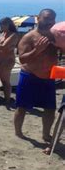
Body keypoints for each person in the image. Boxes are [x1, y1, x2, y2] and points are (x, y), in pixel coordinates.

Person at [14, 9, 58, 145]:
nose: (49, 22)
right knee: (22, 107)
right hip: (30, 76)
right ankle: (18, 132)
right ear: (38, 18)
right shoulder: (29, 37)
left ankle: (46, 134)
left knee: (50, 109)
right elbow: (22, 59)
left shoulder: (55, 36)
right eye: (46, 19)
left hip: (49, 78)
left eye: (52, 19)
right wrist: (36, 50)